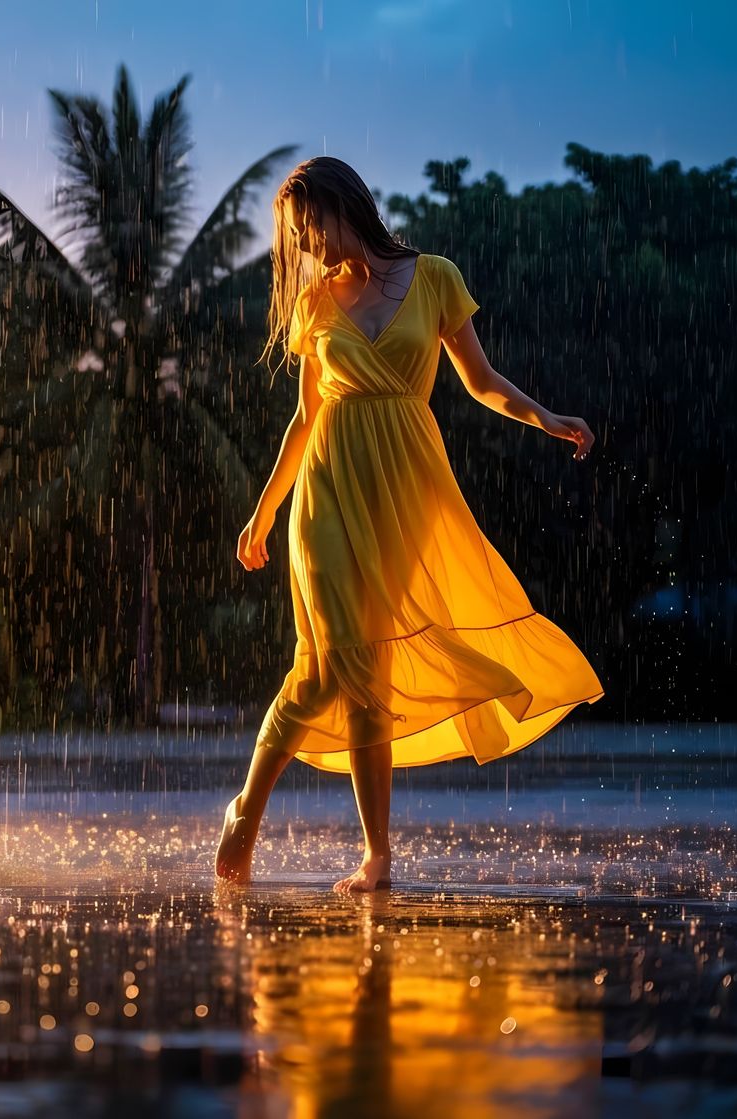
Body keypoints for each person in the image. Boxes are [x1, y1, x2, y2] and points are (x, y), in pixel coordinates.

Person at [215, 157, 605, 893]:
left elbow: (482, 383)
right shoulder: (315, 305)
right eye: (296, 236)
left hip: (406, 493)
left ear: (343, 206)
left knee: (373, 675)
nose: (308, 246)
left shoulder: (434, 277)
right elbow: (305, 418)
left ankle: (376, 854)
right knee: (332, 663)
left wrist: (547, 417)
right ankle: (247, 808)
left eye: (311, 228)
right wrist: (265, 507)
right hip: (326, 491)